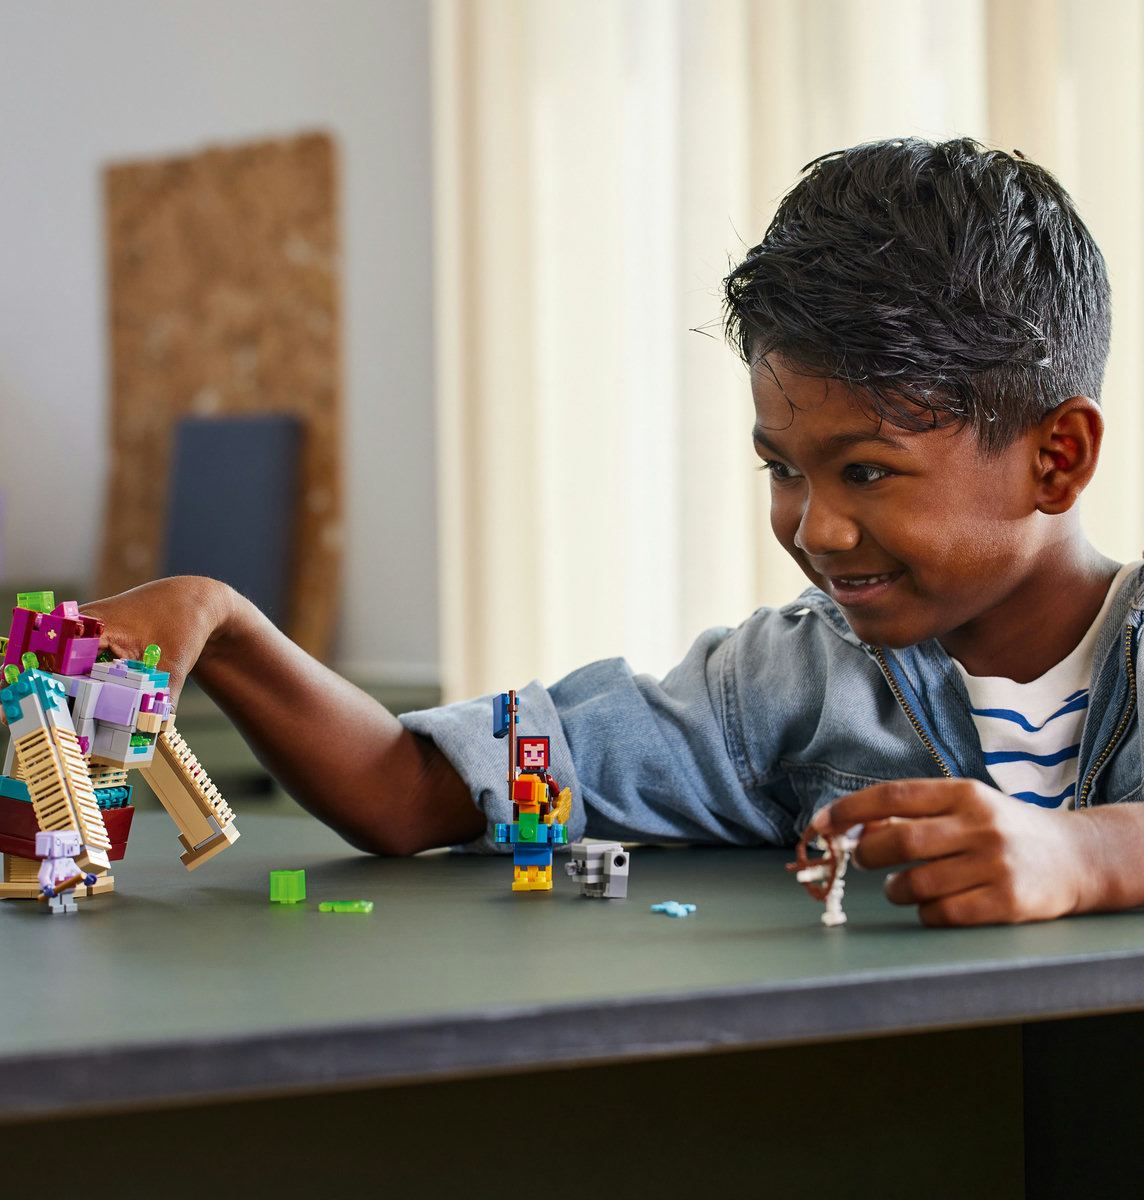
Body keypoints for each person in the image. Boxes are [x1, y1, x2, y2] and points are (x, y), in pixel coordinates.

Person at [73, 137, 1144, 927]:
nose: (813, 527)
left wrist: (1087, 855)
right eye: (782, 469)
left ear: (1056, 457)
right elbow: (410, 791)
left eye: (866, 470)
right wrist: (226, 623)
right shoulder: (781, 688)